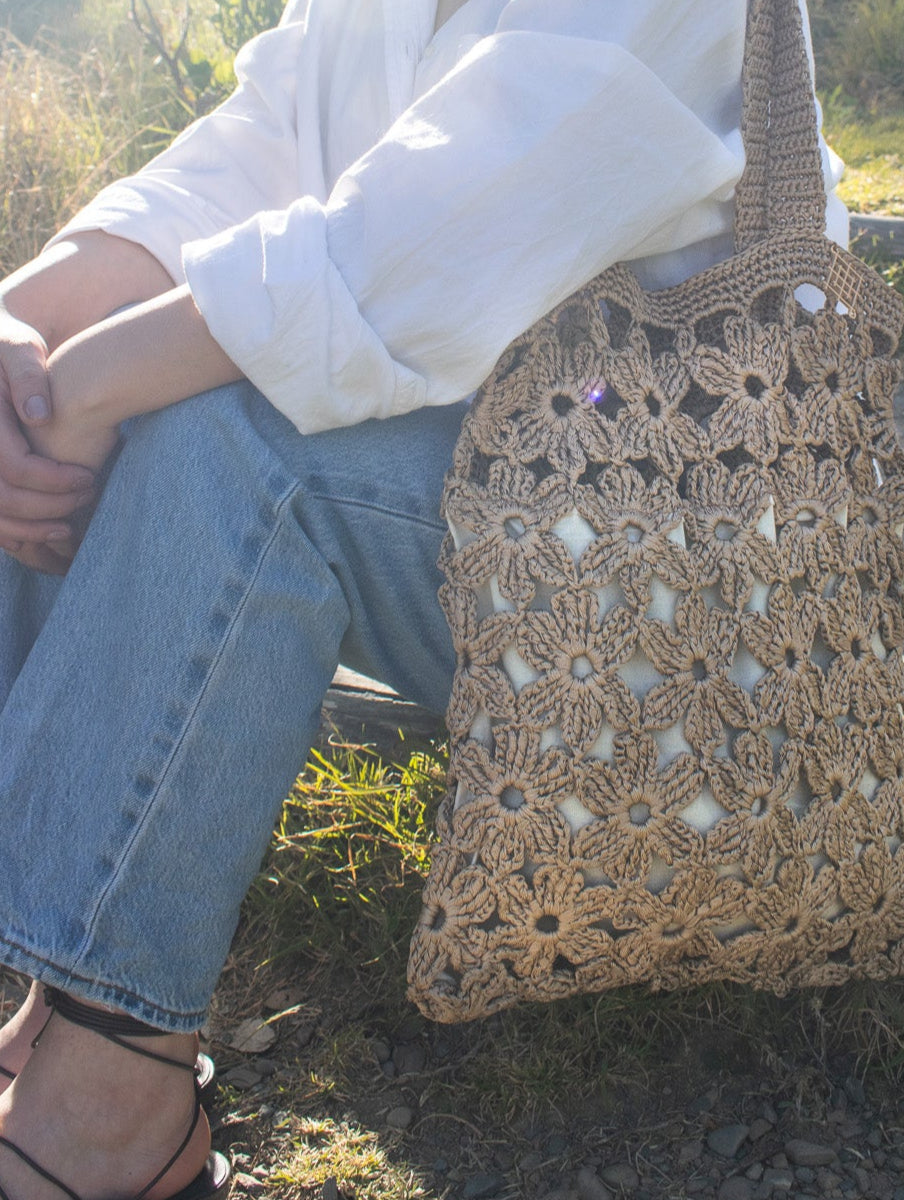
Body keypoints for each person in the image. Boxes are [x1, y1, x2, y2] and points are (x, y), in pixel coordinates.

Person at [0, 0, 847, 1193]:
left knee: (229, 435)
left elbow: (397, 259)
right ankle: (58, 1001)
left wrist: (80, 386)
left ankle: (113, 1107)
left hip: (692, 606)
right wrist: (23, 338)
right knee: (35, 428)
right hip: (515, 519)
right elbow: (236, 165)